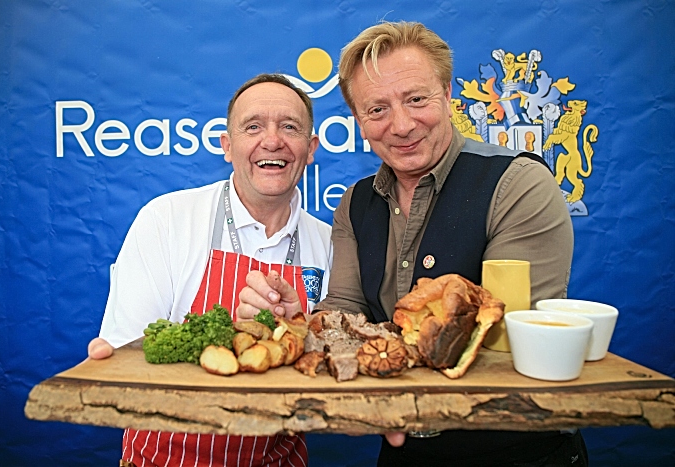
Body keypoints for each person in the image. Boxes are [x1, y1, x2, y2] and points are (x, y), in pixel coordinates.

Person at [242, 21, 587, 466]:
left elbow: (500, 338)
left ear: (447, 95)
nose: (401, 125)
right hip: (404, 451)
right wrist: (307, 327)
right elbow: (346, 308)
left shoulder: (518, 183)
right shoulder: (355, 204)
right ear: (359, 123)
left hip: (519, 452)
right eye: (377, 109)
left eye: (416, 99)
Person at [87, 73, 333, 467]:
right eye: (253, 126)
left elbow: (329, 363)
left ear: (310, 149)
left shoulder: (330, 242)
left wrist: (297, 331)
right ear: (226, 146)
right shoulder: (167, 219)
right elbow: (131, 358)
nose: (272, 140)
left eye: (289, 127)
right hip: (166, 458)